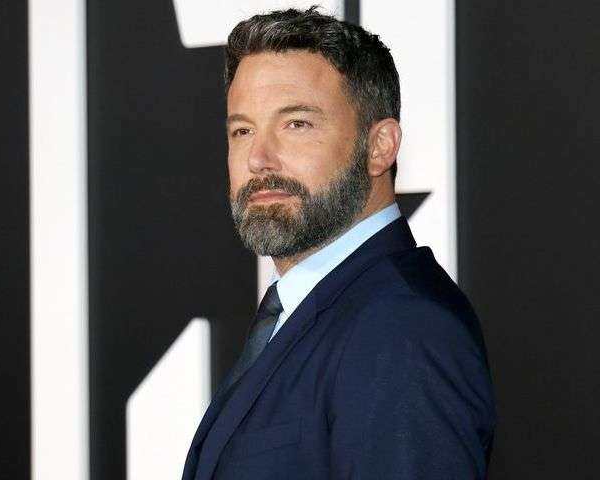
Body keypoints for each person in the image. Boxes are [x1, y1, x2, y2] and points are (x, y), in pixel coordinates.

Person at [183, 7, 495, 480]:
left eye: (296, 124)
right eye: (242, 130)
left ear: (380, 146)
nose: (258, 158)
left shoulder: (402, 329)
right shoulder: (308, 312)